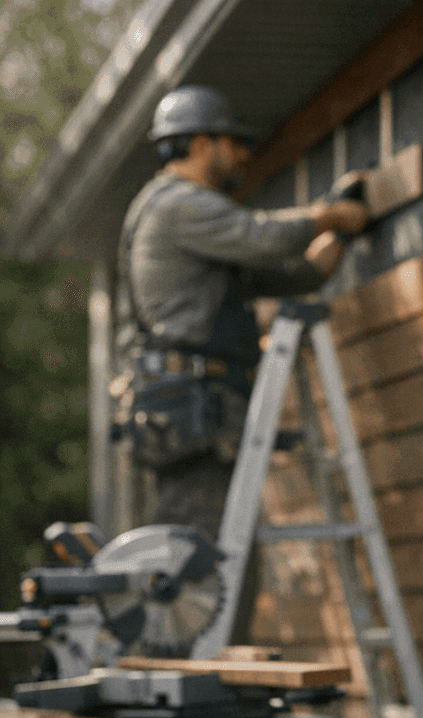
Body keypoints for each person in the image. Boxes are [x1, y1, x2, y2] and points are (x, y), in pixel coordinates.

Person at [112, 85, 369, 648]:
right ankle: (188, 677)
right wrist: (327, 212)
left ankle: (191, 665)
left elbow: (298, 273)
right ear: (202, 142)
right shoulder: (178, 203)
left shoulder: (203, 242)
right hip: (191, 412)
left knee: (209, 554)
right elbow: (263, 236)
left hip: (189, 409)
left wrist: (342, 230)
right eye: (235, 142)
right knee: (201, 563)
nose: (245, 155)